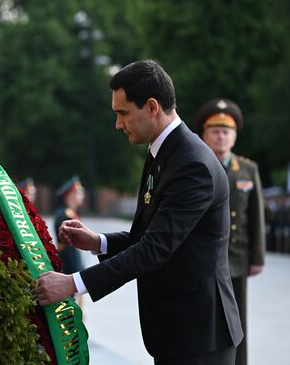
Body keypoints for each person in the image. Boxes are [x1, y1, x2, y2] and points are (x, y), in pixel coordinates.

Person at [34, 59, 243, 364]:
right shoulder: (164, 151)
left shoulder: (192, 164)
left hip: (200, 335)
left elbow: (154, 249)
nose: (118, 124)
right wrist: (99, 242)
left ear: (152, 107)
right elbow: (151, 235)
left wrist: (73, 283)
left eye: (123, 113)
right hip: (179, 330)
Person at [195, 98, 265, 365]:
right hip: (203, 259)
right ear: (204, 134)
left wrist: (256, 257)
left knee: (237, 320)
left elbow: (255, 215)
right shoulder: (196, 165)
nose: (221, 136)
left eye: (226, 131)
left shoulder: (248, 170)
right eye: (215, 131)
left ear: (234, 137)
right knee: (204, 317)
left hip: (235, 259)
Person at [54, 176, 85, 275]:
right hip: (68, 266)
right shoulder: (66, 216)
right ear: (70, 195)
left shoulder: (69, 214)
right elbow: (69, 249)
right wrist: (77, 271)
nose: (82, 195)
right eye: (79, 192)